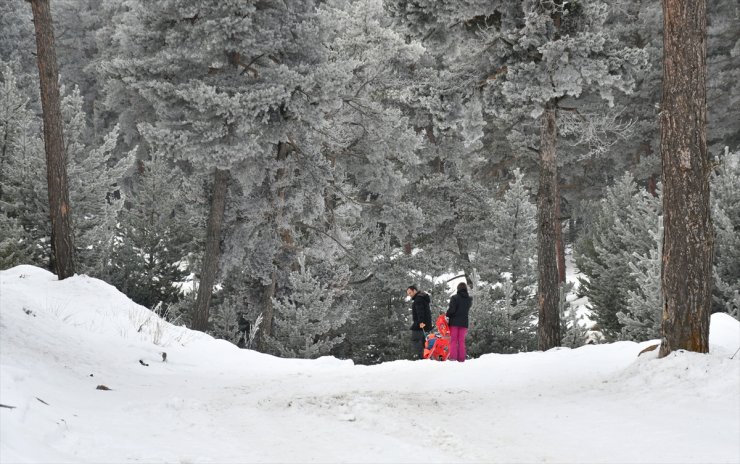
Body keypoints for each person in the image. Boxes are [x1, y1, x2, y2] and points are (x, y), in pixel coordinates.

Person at [446, 282, 472, 362]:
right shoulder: (469, 299)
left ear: (458, 289)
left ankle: (453, 358)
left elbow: (452, 310)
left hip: (454, 323)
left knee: (453, 340)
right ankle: (461, 359)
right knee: (461, 341)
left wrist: (447, 314)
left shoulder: (454, 298)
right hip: (464, 323)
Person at [407, 285, 432, 360]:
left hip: (420, 324)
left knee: (416, 339)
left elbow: (420, 311)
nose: (409, 295)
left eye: (410, 293)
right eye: (408, 294)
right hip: (426, 323)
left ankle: (422, 357)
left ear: (414, 290)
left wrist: (421, 322)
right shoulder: (422, 298)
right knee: (424, 341)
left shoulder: (418, 299)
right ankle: (426, 356)